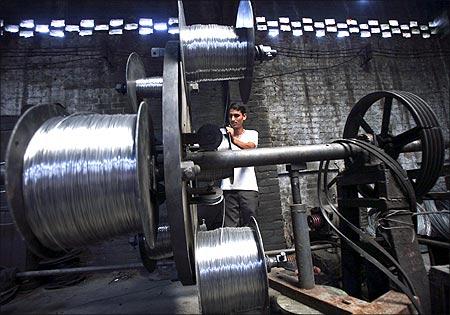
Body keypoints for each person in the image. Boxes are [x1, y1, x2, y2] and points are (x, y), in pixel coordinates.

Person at [221, 103, 259, 227]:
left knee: (251, 224)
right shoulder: (222, 135)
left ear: (244, 117)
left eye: (236, 116)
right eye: (230, 116)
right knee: (230, 227)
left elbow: (250, 147)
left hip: (248, 187)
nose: (233, 119)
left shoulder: (252, 134)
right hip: (228, 188)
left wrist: (233, 139)